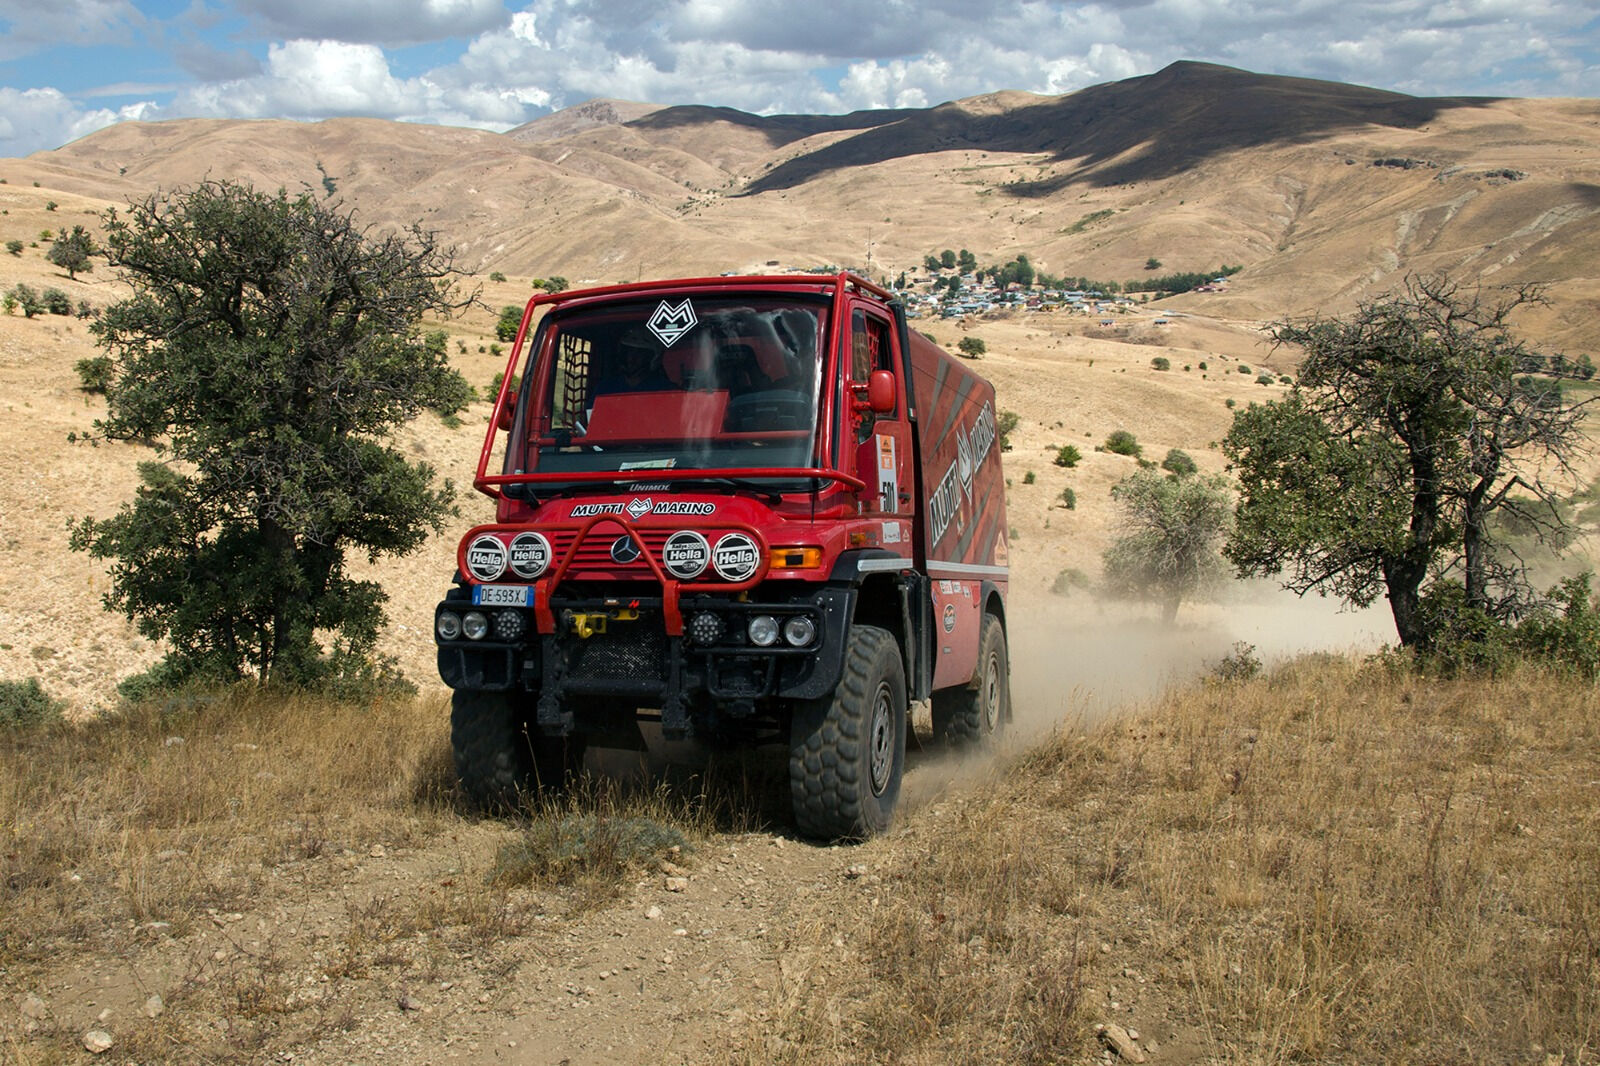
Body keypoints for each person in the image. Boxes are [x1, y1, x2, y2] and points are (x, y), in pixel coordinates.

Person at [594, 326, 671, 395]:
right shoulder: (606, 388)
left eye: (639, 353)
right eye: (629, 351)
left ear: (651, 357)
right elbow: (591, 410)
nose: (632, 358)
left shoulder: (665, 390)